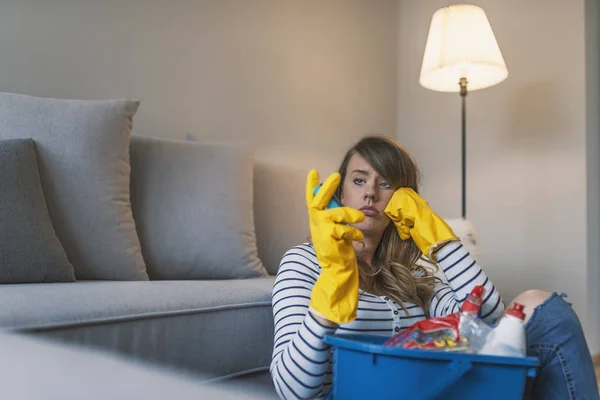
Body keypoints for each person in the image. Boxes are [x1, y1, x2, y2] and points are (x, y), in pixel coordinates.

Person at [270, 135, 599, 400]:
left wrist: (439, 239)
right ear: (340, 192)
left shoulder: (411, 272)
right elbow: (293, 390)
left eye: (385, 184)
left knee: (541, 305)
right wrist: (332, 286)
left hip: (435, 387)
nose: (370, 192)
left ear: (404, 200)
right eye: (359, 180)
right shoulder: (303, 262)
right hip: (358, 392)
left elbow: (486, 324)